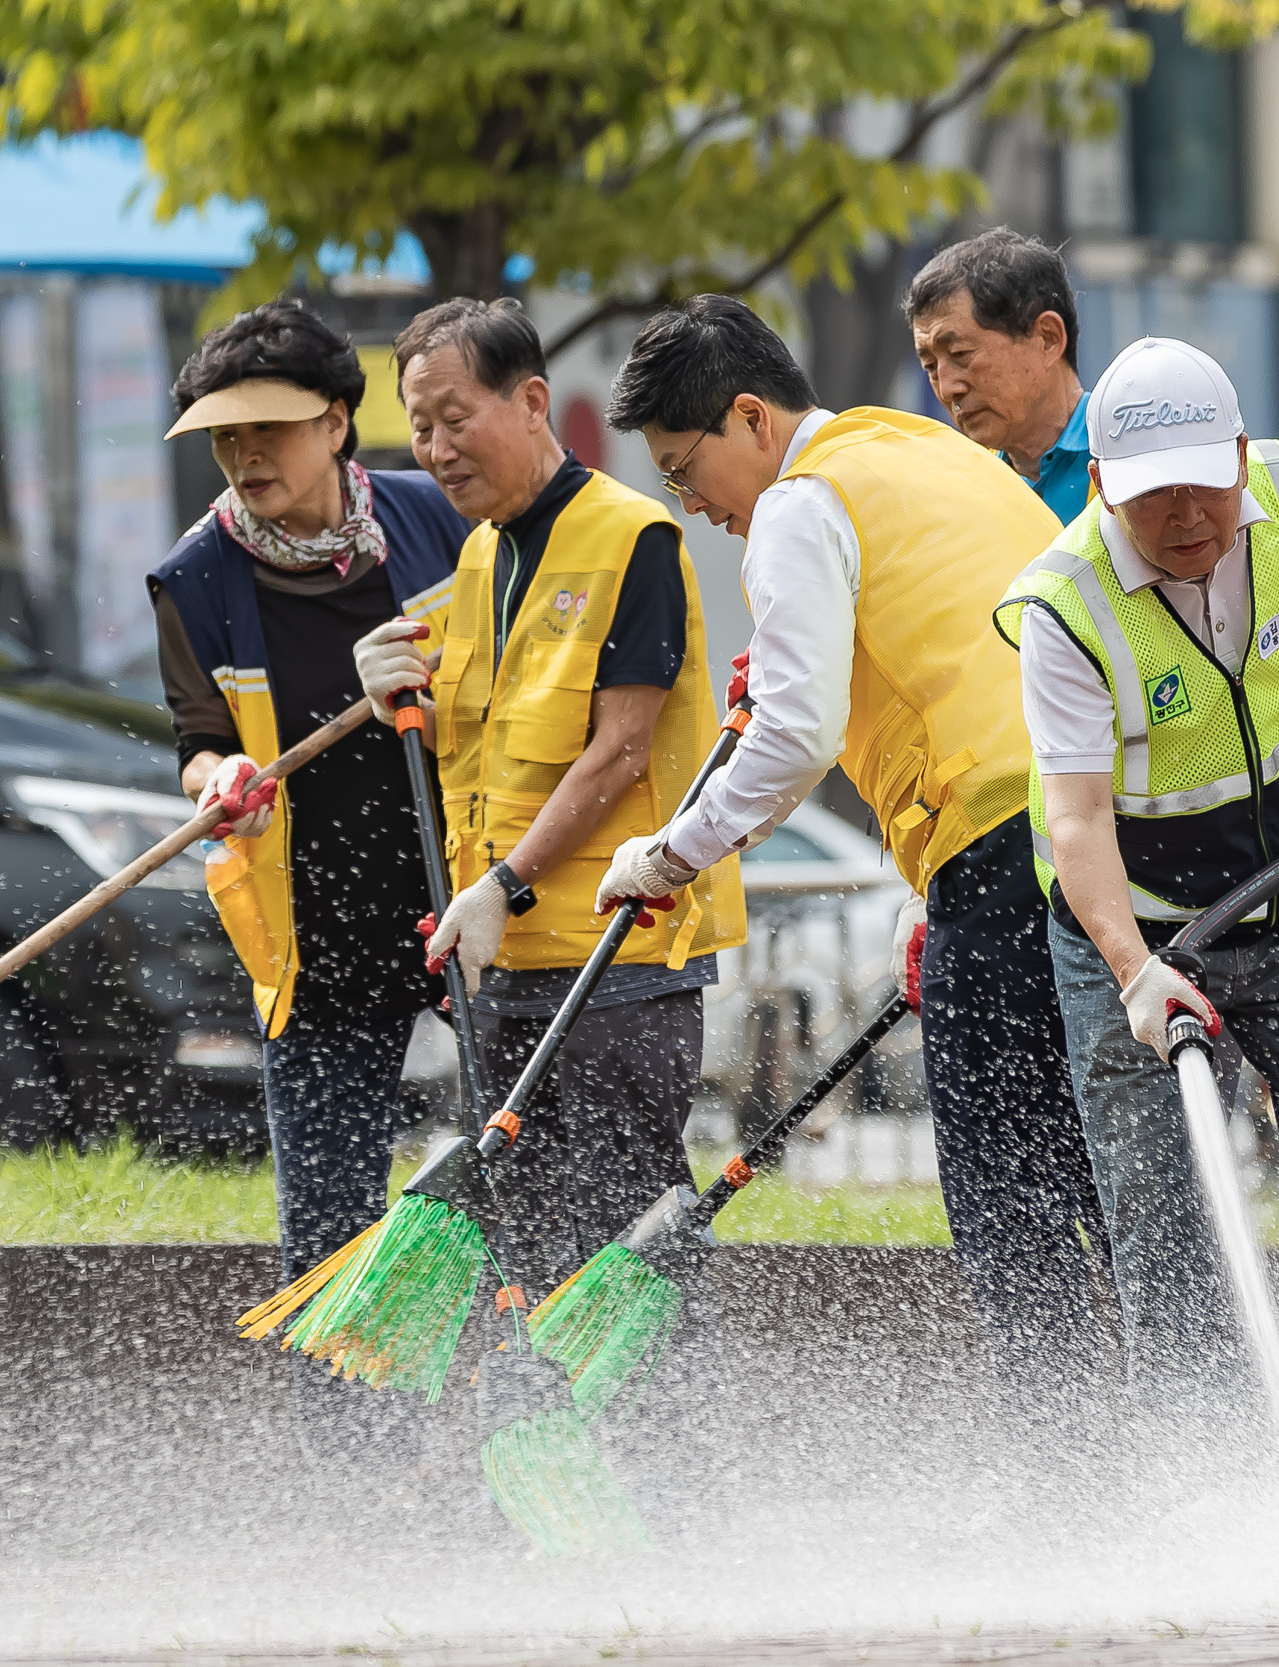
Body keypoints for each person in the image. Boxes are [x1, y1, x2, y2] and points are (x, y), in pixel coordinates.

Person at [596, 294, 1111, 1383]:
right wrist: (935, 898)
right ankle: (1185, 1460)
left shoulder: (801, 501)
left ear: (751, 418)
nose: (690, 505)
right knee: (1106, 1183)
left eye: (686, 469)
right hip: (1098, 847)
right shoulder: (922, 450)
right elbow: (959, 661)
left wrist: (672, 851)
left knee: (1011, 1213)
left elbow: (793, 733)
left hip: (1005, 869)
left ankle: (1077, 1499)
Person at [992, 336, 1279, 1415]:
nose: (1186, 514)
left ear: (1240, 452)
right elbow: (1077, 815)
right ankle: (1204, 1472)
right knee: (1163, 1207)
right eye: (1151, 496)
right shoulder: (1061, 604)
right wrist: (1136, 971)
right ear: (1098, 486)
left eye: (1204, 482)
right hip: (1137, 938)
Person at [349, 298, 745, 1292]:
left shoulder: (632, 537)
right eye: (420, 425)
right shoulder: (482, 551)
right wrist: (394, 693)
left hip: (621, 960)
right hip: (507, 962)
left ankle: (663, 1441)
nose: (435, 447)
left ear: (532, 402)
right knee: (521, 1241)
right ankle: (543, 1438)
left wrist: (504, 886)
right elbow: (488, 747)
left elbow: (619, 750)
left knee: (620, 1238)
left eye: (454, 416)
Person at [147, 301, 471, 1459]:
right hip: (312, 923)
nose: (243, 459)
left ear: (338, 420)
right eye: (223, 438)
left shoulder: (442, 521)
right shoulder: (194, 574)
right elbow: (192, 734)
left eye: (267, 431)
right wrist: (216, 772)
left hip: (471, 900)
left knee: (524, 1165)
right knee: (329, 1223)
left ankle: (507, 1419)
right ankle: (347, 1475)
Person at [906, 228, 1091, 521]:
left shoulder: (1134, 453)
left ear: (1047, 338)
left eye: (960, 355)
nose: (947, 388)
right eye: (930, 367)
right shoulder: (960, 497)